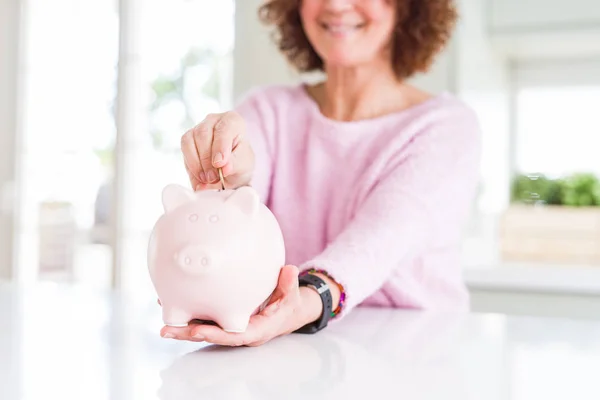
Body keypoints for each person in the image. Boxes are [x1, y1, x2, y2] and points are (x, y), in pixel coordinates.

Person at [160, 0, 481, 346]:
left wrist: (311, 296)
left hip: (415, 351)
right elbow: (245, 189)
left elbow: (378, 243)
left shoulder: (445, 126)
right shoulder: (267, 110)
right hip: (292, 352)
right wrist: (230, 175)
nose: (337, 5)